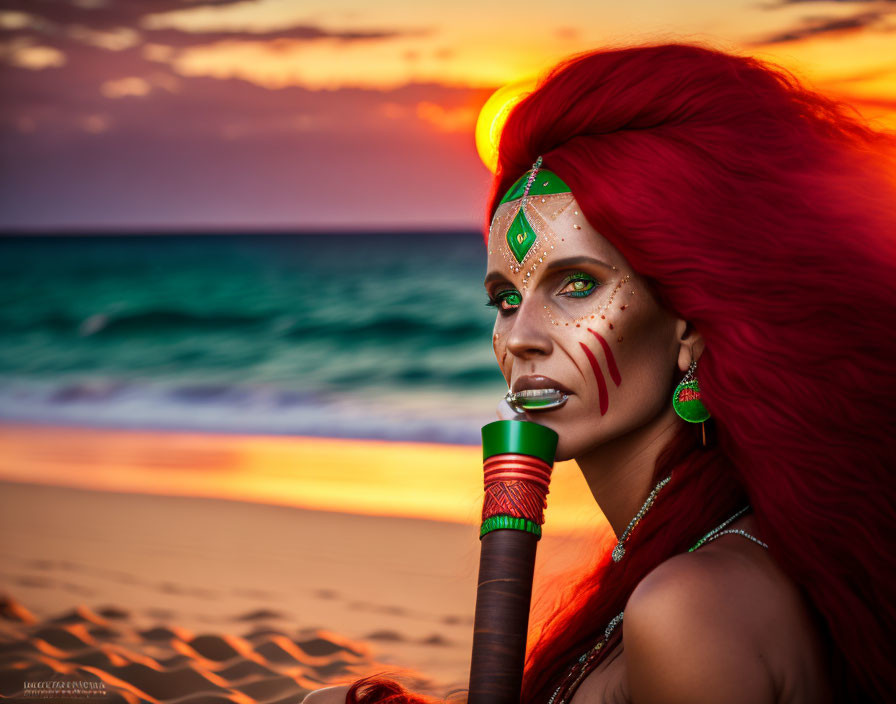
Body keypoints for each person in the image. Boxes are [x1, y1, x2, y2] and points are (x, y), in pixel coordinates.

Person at [304, 42, 896, 704]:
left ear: (691, 324)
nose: (519, 337)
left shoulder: (686, 609)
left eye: (577, 284)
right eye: (506, 298)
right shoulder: (704, 554)